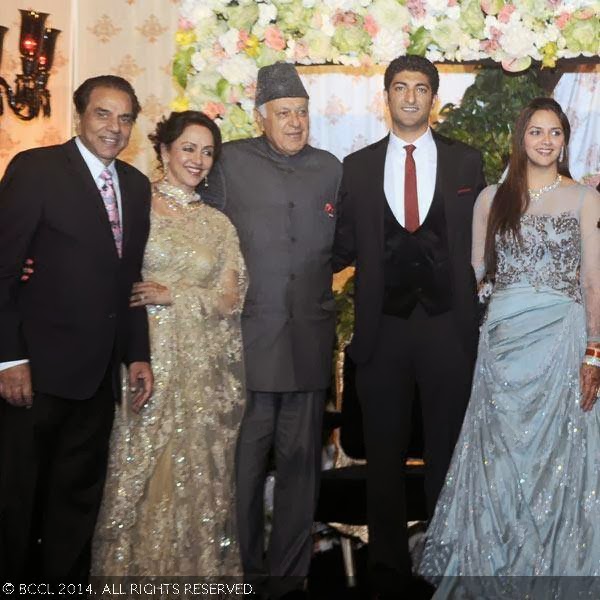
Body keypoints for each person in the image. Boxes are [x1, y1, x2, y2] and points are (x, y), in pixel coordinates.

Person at [418, 98, 600, 598]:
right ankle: (494, 563)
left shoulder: (585, 198)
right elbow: (479, 271)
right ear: (521, 137)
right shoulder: (489, 199)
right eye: (536, 131)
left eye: (555, 133)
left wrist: (594, 351)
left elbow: (592, 281)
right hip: (504, 345)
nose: (546, 141)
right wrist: (502, 310)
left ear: (565, 141)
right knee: (500, 459)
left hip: (561, 341)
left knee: (557, 456)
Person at [333, 55, 486, 598]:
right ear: (387, 96)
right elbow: (341, 245)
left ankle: (444, 557)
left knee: (447, 450)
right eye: (401, 87)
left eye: (422, 88)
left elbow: (487, 243)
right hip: (383, 327)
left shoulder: (468, 163)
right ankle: (387, 569)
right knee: (384, 452)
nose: (412, 97)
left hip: (448, 327)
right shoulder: (356, 166)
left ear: (433, 98)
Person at [0, 75, 153, 581]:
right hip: (35, 373)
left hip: (97, 377)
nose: (114, 127)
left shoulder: (134, 185)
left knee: (76, 502)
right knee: (17, 503)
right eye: (103, 115)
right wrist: (9, 358)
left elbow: (127, 278)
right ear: (80, 115)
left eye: (125, 118)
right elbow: (3, 269)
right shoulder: (36, 169)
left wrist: (138, 355)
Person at [203, 62, 342, 599]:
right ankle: (243, 574)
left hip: (308, 342)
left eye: (302, 114)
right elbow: (198, 228)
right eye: (284, 114)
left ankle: (289, 580)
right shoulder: (230, 163)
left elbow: (346, 242)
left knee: (300, 469)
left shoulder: (331, 169)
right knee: (242, 470)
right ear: (261, 118)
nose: (294, 123)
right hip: (246, 345)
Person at [91, 111, 247, 576]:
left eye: (207, 151)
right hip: (145, 357)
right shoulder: (133, 206)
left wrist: (174, 293)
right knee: (139, 468)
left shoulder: (220, 225)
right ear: (163, 150)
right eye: (188, 148)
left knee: (196, 479)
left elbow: (231, 297)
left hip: (199, 369)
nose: (198, 160)